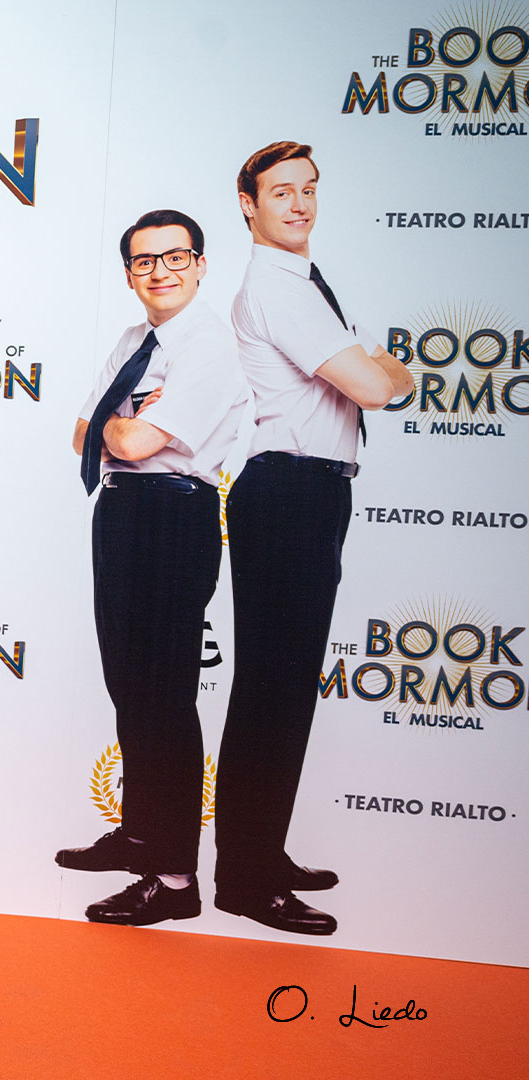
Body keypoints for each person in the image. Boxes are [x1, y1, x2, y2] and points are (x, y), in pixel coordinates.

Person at [214, 141, 414, 935]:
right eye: (281, 192)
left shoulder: (306, 284)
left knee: (286, 689)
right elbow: (377, 384)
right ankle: (245, 878)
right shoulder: (278, 290)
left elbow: (380, 377)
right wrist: (382, 370)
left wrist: (379, 370)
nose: (299, 204)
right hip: (289, 492)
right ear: (248, 204)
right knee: (271, 691)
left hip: (313, 492)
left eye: (309, 189)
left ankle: (261, 854)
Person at [57, 210, 249, 926]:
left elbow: (133, 442)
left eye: (174, 257)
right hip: (120, 511)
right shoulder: (135, 341)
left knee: (163, 698)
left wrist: (120, 424)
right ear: (129, 273)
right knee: (130, 689)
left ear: (200, 265)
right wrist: (124, 421)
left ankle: (172, 879)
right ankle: (140, 835)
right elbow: (82, 433)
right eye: (144, 261)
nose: (160, 271)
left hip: (173, 512)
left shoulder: (210, 345)